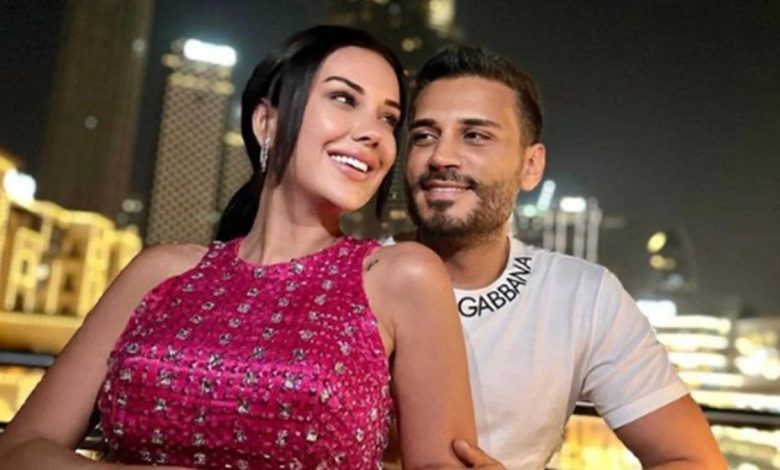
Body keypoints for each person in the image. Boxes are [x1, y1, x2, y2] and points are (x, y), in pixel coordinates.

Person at [0, 26, 478, 469]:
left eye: (388, 119)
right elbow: (20, 449)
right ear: (267, 121)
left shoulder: (403, 275)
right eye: (343, 98)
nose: (373, 133)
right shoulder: (159, 272)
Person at [388, 46, 726, 469]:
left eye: (474, 135)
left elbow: (693, 460)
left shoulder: (582, 297)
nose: (441, 157)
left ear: (531, 166)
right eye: (424, 136)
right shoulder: (353, 276)